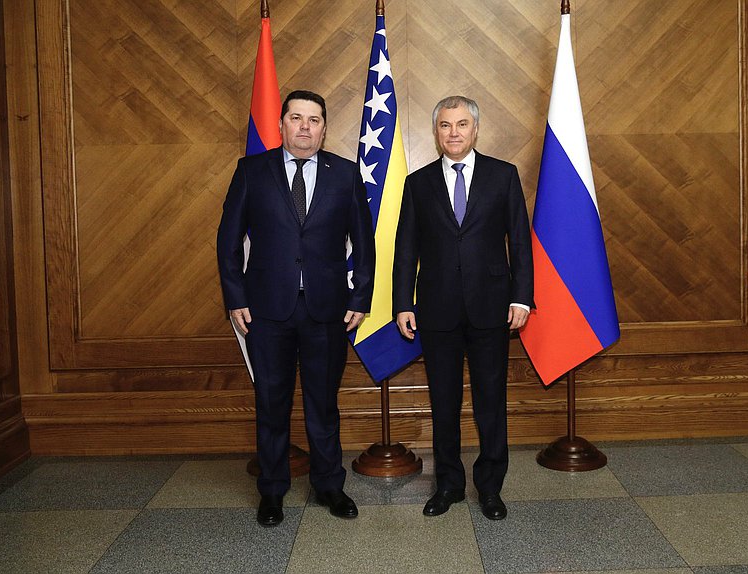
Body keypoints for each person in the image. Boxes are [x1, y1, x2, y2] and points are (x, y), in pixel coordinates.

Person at [217, 90, 375, 527]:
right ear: (282, 124)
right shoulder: (252, 171)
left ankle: (329, 486)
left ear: (324, 127)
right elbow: (228, 241)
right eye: (297, 118)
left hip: (328, 311)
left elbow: (364, 242)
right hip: (266, 313)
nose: (305, 127)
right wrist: (236, 298)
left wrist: (360, 297)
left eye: (315, 119)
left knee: (323, 405)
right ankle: (272, 491)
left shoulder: (344, 175)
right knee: (271, 403)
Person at [393, 95, 533, 521]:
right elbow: (405, 250)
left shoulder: (503, 176)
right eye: (445, 126)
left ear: (475, 130)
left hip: (492, 309)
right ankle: (449, 485)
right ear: (436, 133)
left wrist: (522, 296)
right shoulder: (418, 184)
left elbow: (520, 243)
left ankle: (490, 487)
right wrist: (403, 303)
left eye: (461, 125)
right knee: (444, 402)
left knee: (491, 401)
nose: (453, 133)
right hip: (436, 312)